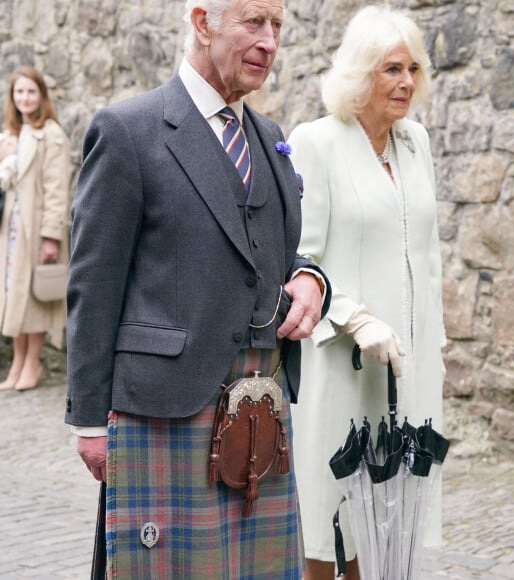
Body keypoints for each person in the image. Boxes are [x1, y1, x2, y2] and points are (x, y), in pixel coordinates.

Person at [65, 0, 330, 578]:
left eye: (277, 27)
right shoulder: (129, 129)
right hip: (165, 409)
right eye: (253, 23)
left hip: (262, 414)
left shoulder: (268, 135)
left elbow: (268, 249)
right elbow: (94, 279)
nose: (269, 42)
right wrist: (88, 420)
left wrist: (311, 278)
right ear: (203, 21)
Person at [287, 6, 446, 579]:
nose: (405, 82)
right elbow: (299, 259)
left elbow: (427, 252)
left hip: (409, 366)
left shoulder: (415, 143)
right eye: (390, 70)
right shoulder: (318, 143)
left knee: (393, 519)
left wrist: (434, 342)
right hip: (342, 362)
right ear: (360, 74)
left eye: (412, 69)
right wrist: (355, 318)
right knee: (334, 516)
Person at [0, 66, 71, 392]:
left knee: (35, 297)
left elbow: (58, 188)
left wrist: (50, 236)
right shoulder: (12, 134)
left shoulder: (51, 134)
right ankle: (17, 361)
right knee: (13, 297)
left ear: (41, 96)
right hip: (11, 227)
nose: (25, 98)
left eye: (31, 92)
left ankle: (33, 362)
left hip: (36, 227)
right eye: (19, 92)